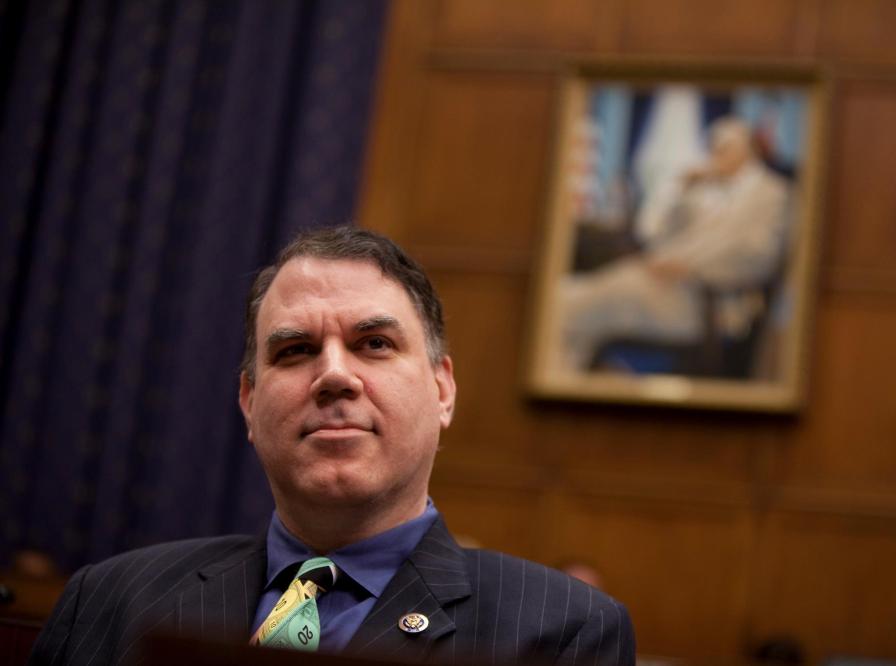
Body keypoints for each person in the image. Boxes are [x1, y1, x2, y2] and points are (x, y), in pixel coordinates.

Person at [29, 227, 636, 665]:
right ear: (248, 402)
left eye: (374, 344)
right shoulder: (106, 600)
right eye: (294, 351)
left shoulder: (562, 632)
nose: (334, 375)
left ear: (442, 390)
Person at [561, 116, 791, 373]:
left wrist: (691, 269)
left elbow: (759, 257)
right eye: (712, 147)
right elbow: (661, 239)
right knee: (574, 294)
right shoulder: (707, 191)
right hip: (665, 284)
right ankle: (573, 373)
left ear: (747, 150)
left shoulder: (772, 193)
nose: (715, 154)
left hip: (706, 301)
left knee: (585, 303)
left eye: (723, 147)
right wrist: (685, 191)